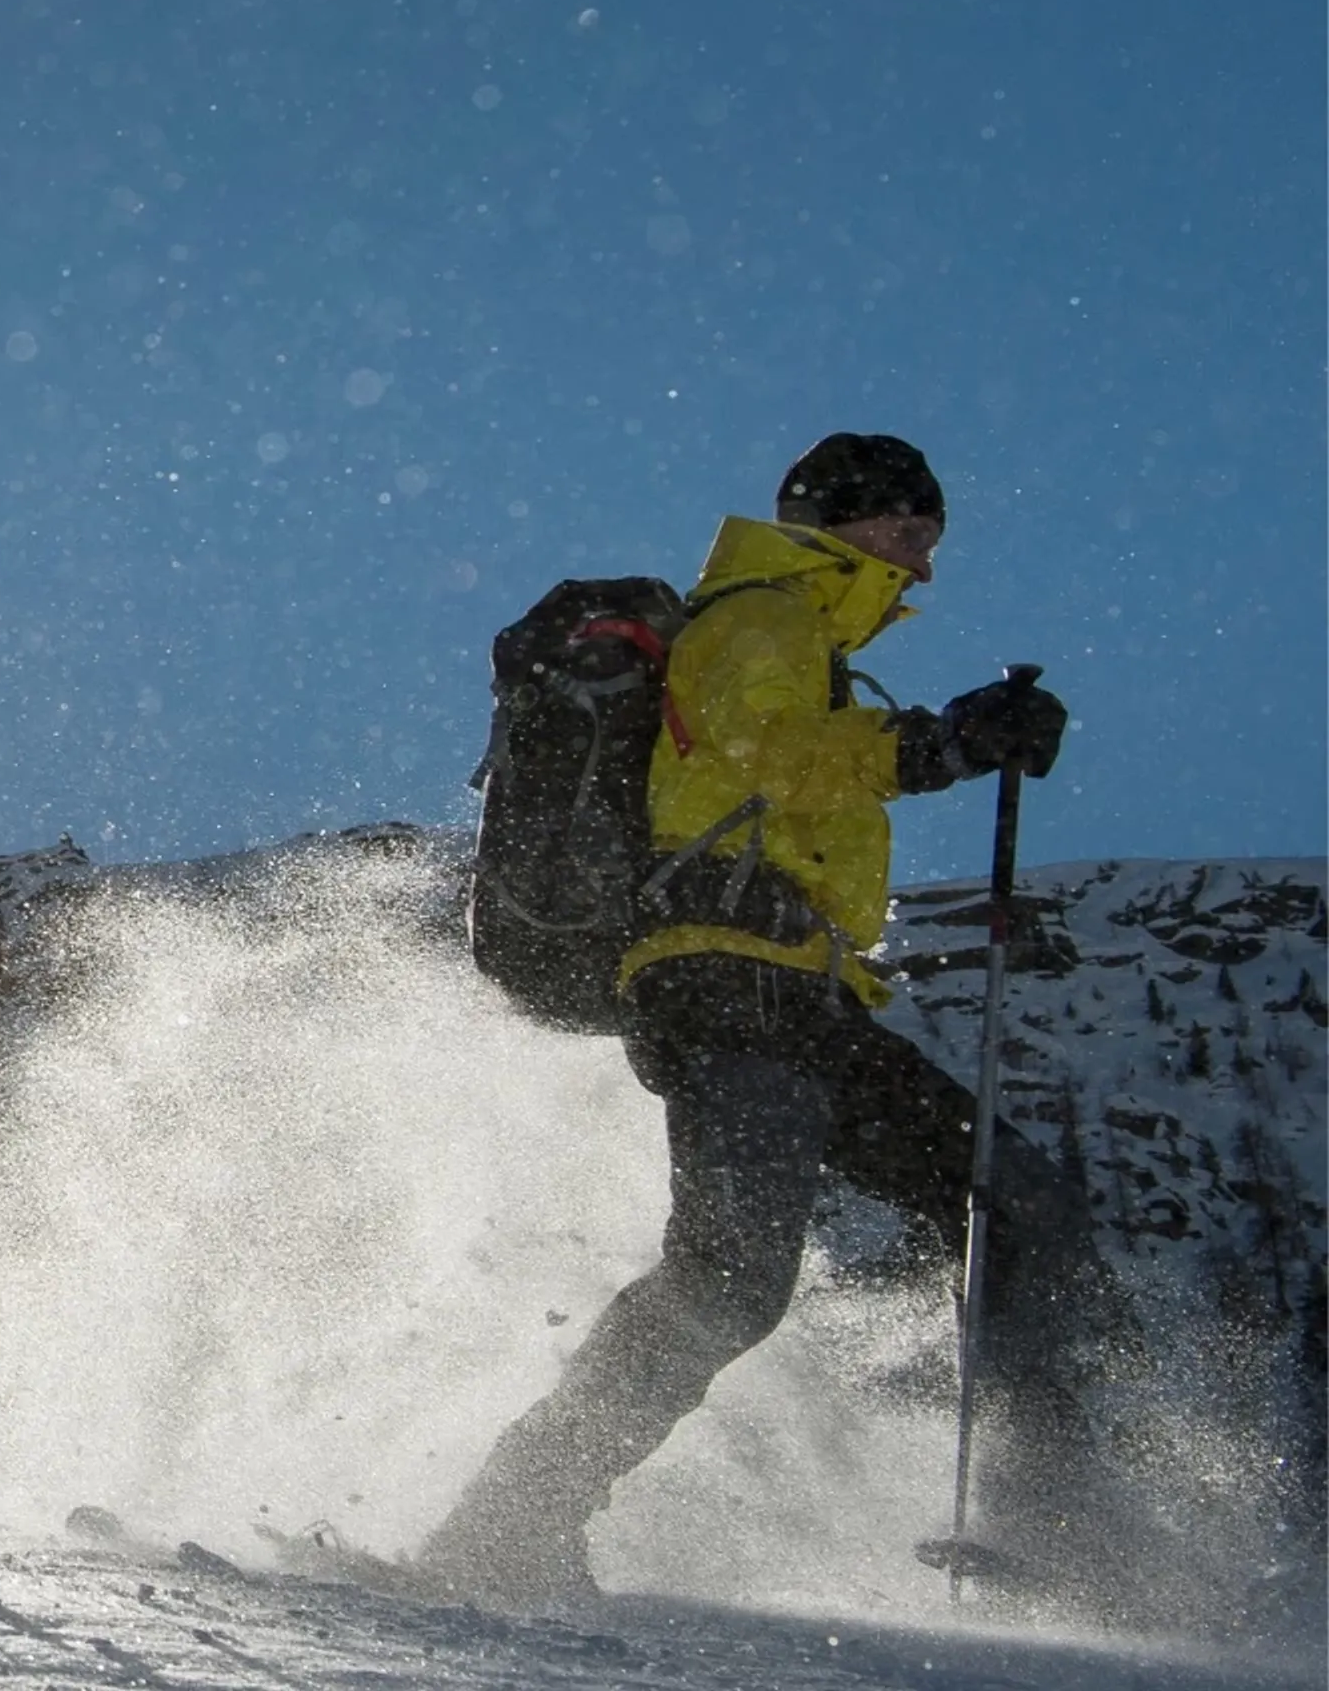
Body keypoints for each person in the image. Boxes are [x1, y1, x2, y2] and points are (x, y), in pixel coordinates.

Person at [421, 433, 1129, 1609]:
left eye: (928, 544)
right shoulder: (760, 617)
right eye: (908, 538)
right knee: (736, 1275)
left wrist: (934, 743)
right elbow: (766, 750)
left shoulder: (813, 641)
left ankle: (1046, 1510)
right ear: (845, 522)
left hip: (799, 986)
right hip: (721, 976)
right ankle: (509, 1521)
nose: (924, 569)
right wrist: (945, 745)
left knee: (1013, 1201)